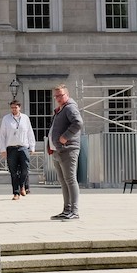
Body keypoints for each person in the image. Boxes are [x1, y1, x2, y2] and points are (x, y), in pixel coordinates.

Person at [47, 83, 83, 220]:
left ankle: (74, 210)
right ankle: (67, 209)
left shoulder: (70, 107)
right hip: (58, 150)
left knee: (70, 180)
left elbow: (78, 123)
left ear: (67, 94)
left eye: (60, 95)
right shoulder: (61, 109)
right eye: (56, 96)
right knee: (63, 181)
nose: (58, 98)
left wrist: (64, 137)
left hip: (68, 149)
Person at [0, 99, 35, 200]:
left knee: (25, 169)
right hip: (11, 148)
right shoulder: (6, 119)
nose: (14, 109)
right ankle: (16, 192)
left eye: (15, 107)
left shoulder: (25, 118)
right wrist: (3, 149)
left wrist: (32, 146)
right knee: (13, 172)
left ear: (19, 108)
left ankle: (22, 185)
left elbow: (30, 132)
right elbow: (2, 135)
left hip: (23, 147)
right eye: (12, 108)